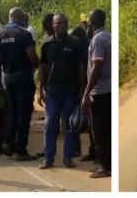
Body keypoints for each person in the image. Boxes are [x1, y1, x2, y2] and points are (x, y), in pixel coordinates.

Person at [38, 13, 85, 169]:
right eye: (57, 23)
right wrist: (40, 89)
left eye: (63, 23)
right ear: (52, 25)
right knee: (50, 123)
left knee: (69, 125)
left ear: (67, 24)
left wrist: (82, 90)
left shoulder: (75, 43)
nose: (60, 26)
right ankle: (48, 158)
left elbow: (81, 68)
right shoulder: (46, 44)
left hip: (71, 91)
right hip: (52, 92)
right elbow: (43, 68)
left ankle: (68, 157)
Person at [0, 7, 39, 161]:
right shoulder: (24, 35)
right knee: (24, 114)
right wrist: (38, 65)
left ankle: (8, 143)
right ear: (19, 18)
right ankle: (20, 150)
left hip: (8, 78)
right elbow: (32, 57)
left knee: (12, 111)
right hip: (23, 78)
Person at [82, 9, 111, 178]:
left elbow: (96, 67)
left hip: (99, 92)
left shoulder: (98, 39)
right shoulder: (109, 36)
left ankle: (104, 167)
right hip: (109, 90)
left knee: (99, 132)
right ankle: (107, 163)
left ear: (91, 24)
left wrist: (86, 93)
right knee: (107, 129)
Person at [70, 24, 96, 162]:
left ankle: (97, 153)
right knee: (91, 122)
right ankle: (93, 151)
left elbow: (83, 70)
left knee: (92, 122)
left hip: (87, 87)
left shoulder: (82, 47)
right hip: (89, 87)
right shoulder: (88, 43)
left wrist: (83, 91)